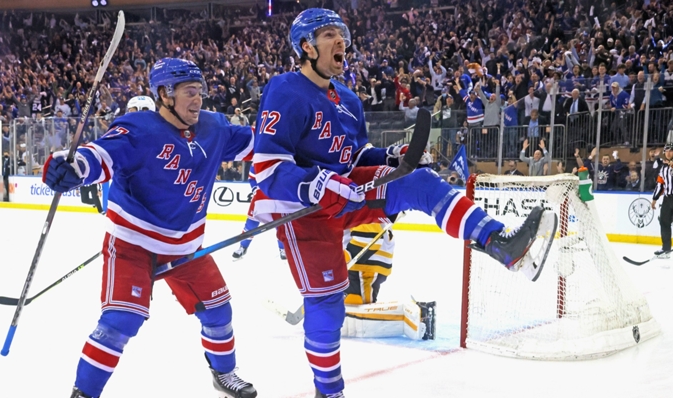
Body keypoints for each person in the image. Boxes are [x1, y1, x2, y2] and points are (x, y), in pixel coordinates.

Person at [250, 9, 554, 398]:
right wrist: (317, 181)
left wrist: (390, 158)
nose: (341, 41)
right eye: (329, 35)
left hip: (345, 193)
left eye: (342, 34)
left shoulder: (347, 99)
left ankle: (501, 244)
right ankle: (329, 392)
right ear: (306, 46)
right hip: (301, 212)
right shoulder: (284, 88)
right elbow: (268, 166)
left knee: (418, 181)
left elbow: (358, 157)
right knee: (328, 307)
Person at [41, 58, 257, 398]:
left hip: (186, 247)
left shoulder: (214, 128)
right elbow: (98, 156)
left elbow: (263, 145)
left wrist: (302, 150)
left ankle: (224, 373)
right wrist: (73, 166)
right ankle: (83, 394)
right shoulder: (137, 129)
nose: (198, 99)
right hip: (132, 243)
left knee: (219, 311)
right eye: (189, 92)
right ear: (164, 94)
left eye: (199, 91)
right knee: (120, 322)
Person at [232, 165, 286, 260]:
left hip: (277, 197)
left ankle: (283, 248)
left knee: (280, 224)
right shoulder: (259, 159)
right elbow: (252, 177)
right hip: (260, 197)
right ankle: (243, 247)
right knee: (251, 224)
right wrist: (256, 190)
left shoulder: (281, 159)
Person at [651, 142, 673, 259]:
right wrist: (654, 199)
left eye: (671, 150)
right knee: (664, 222)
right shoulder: (663, 168)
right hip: (668, 198)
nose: (668, 153)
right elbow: (660, 184)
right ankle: (666, 248)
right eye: (666, 151)